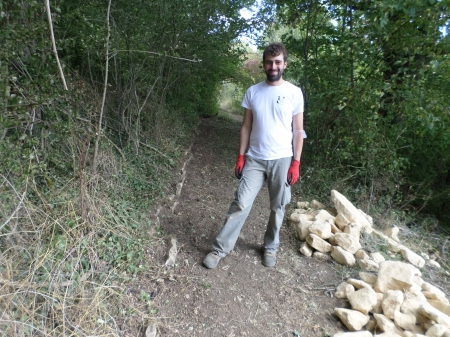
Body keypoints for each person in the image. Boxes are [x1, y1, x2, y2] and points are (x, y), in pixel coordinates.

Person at [203, 42, 305, 269]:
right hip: (255, 159)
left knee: (278, 206)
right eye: (269, 62)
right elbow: (246, 127)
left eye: (278, 62)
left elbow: (298, 130)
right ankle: (220, 249)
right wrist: (241, 156)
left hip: (282, 158)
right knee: (240, 203)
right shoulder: (253, 92)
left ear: (284, 64)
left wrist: (296, 162)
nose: (273, 66)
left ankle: (270, 247)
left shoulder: (294, 93)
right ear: (263, 64)